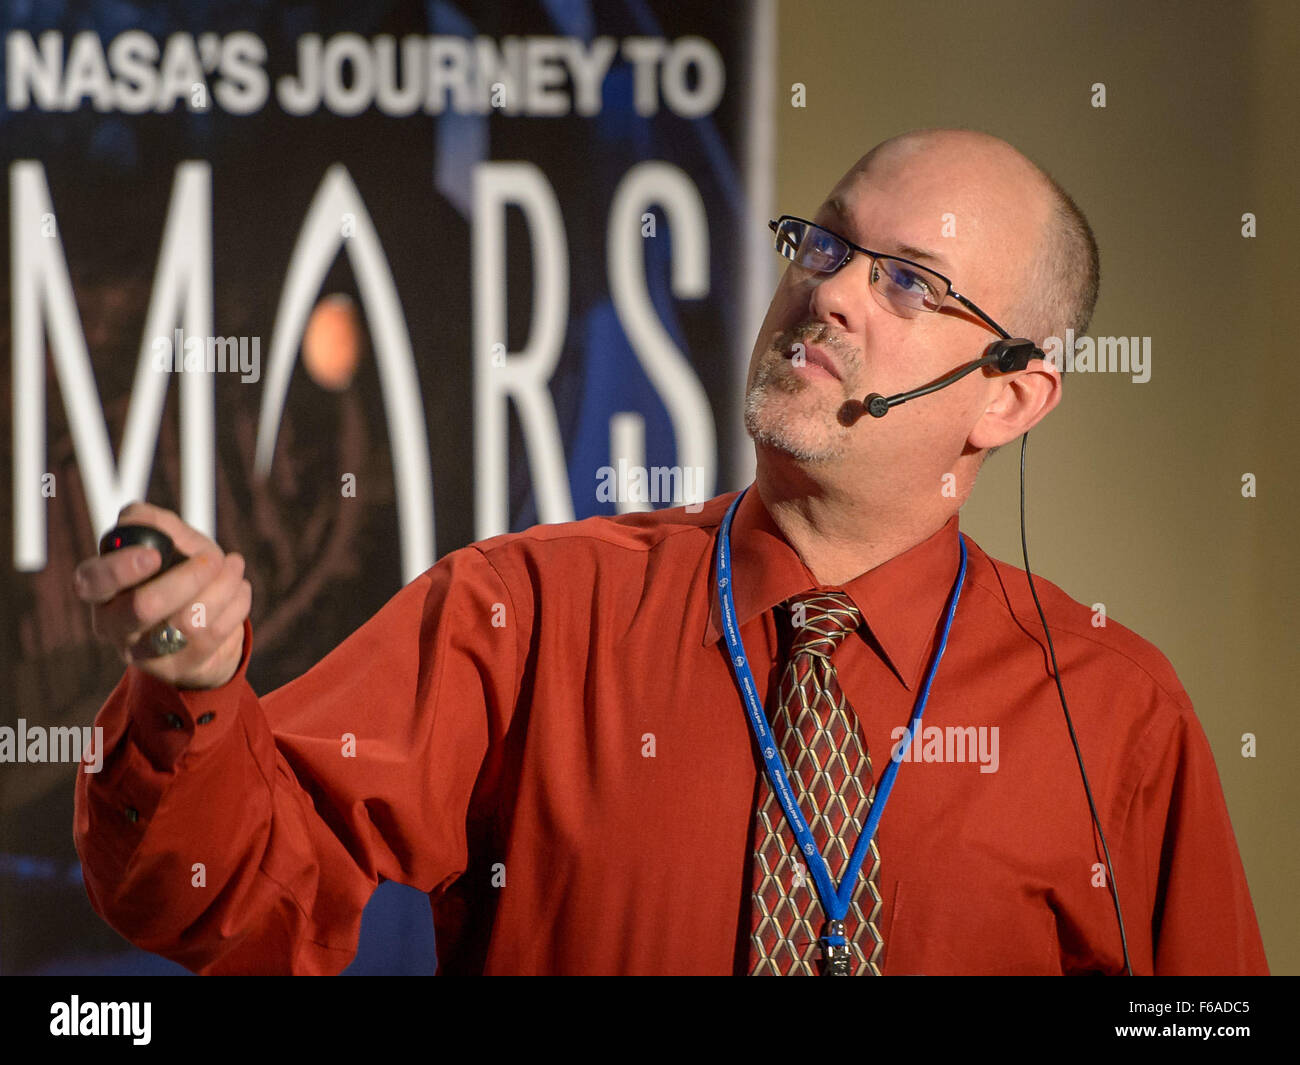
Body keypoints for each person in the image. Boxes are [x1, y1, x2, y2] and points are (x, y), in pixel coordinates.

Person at [72, 128, 1268, 975]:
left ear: (1007, 399)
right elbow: (225, 899)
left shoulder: (1113, 713)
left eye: (909, 283)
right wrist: (192, 696)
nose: (833, 293)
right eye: (826, 245)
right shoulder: (526, 612)